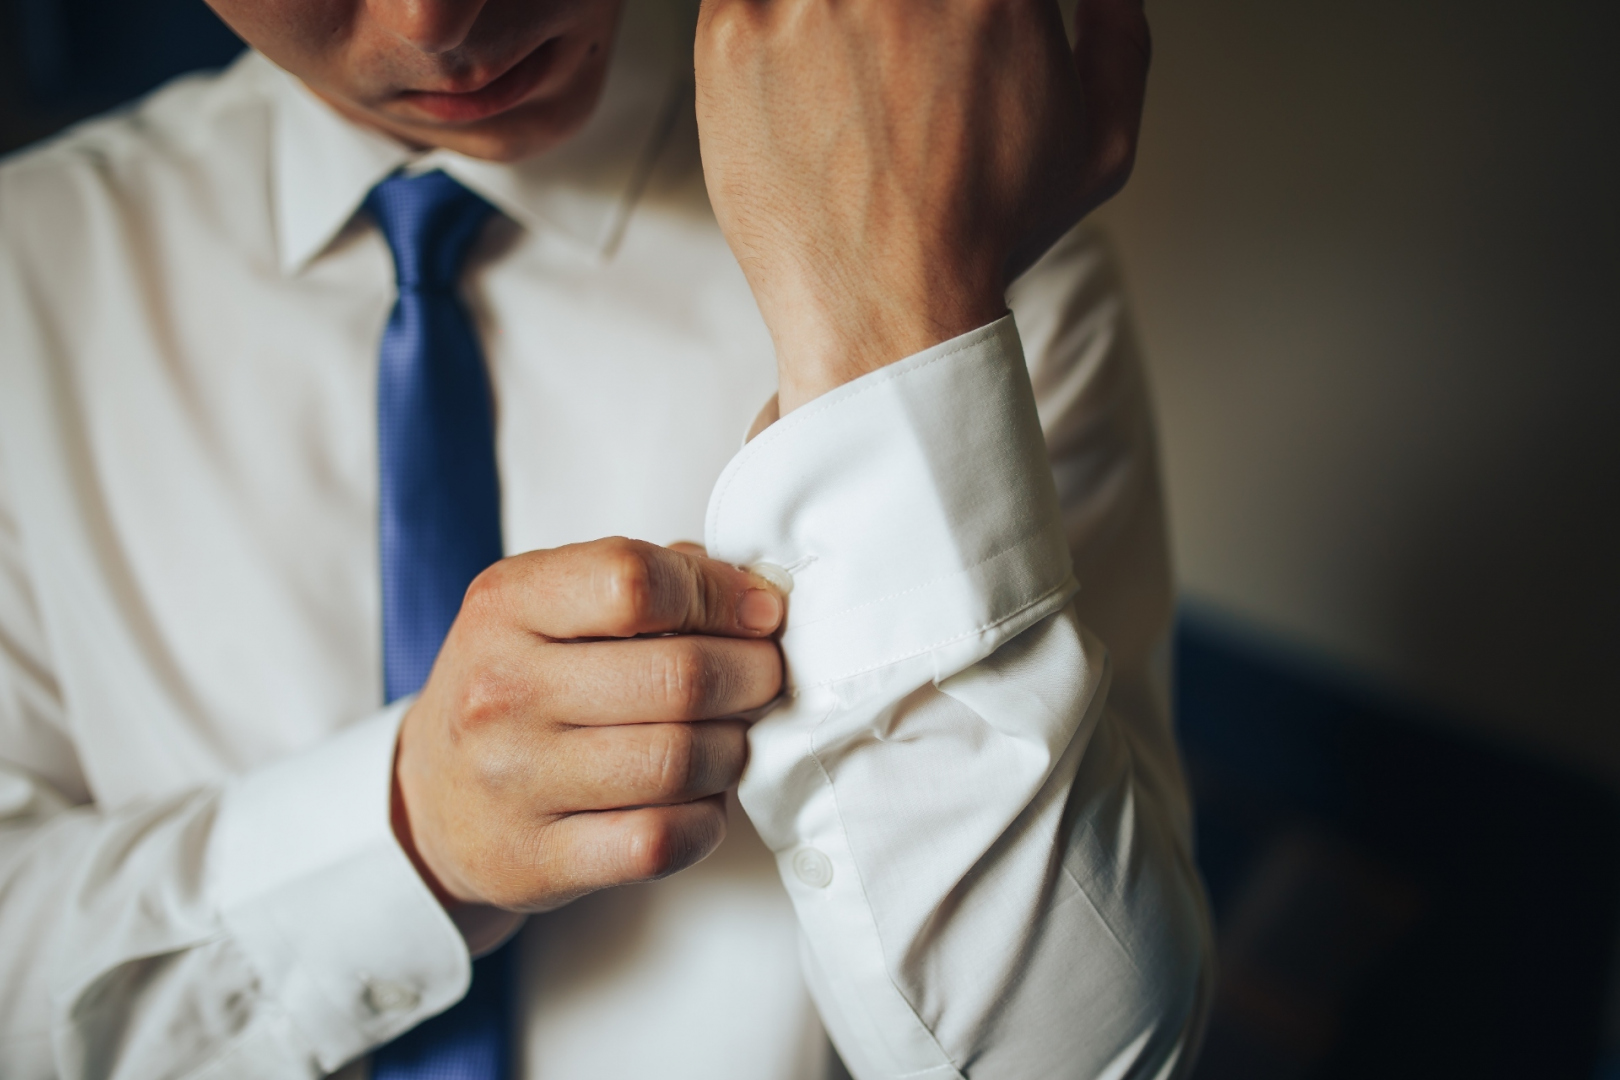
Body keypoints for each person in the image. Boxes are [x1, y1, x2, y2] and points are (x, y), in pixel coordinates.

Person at [0, 0, 1212, 1075]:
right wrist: (407, 837)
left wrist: (890, 333)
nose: (434, 23)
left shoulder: (990, 271)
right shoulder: (25, 280)